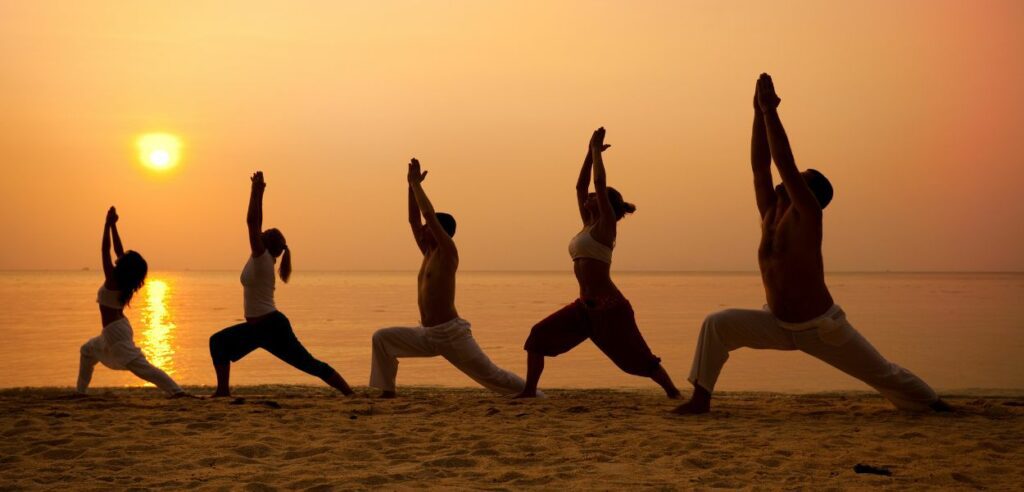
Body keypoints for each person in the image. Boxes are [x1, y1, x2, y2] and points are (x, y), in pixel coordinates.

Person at [673, 74, 949, 414]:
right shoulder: (771, 214)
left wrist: (771, 111)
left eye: (797, 181)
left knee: (883, 374)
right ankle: (700, 400)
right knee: (717, 324)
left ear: (808, 195)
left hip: (821, 328)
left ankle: (933, 404)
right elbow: (760, 167)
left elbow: (783, 165)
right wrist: (757, 114)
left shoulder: (808, 215)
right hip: (777, 323)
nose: (784, 182)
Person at [516, 128, 681, 399]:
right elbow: (580, 187)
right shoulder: (586, 224)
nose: (589, 197)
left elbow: (599, 185)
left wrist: (596, 152)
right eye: (590, 197)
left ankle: (673, 392)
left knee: (638, 359)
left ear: (607, 205)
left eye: (595, 197)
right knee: (538, 337)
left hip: (611, 308)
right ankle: (529, 391)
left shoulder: (606, 226)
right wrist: (587, 153)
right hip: (584, 308)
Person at [369, 158, 529, 398]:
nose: (422, 229)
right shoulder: (428, 253)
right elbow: (414, 220)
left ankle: (533, 394)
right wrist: (409, 186)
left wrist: (418, 185)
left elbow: (428, 215)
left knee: (493, 376)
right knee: (382, 338)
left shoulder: (447, 252)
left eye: (427, 227)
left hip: (450, 334)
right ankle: (387, 392)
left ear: (439, 231)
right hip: (427, 334)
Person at [209, 171, 354, 397]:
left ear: (266, 243)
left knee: (308, 363)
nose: (260, 233)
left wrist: (255, 191)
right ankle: (222, 391)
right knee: (219, 343)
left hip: (271, 327)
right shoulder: (262, 259)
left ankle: (349, 393)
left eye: (263, 234)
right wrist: (260, 191)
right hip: (260, 328)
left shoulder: (262, 258)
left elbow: (252, 222)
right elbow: (257, 223)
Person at [76, 206, 186, 397]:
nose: (121, 256)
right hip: (114, 329)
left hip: (116, 332)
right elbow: (118, 250)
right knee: (87, 351)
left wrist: (106, 224)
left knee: (142, 367)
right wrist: (113, 226)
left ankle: (177, 391)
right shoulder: (123, 280)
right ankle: (80, 393)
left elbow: (105, 250)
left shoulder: (113, 279)